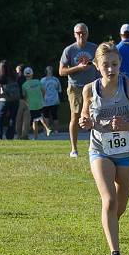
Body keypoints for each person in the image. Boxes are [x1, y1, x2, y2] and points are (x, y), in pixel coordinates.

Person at [78, 42, 129, 255]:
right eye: (106, 65)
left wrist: (127, 125)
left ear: (120, 65)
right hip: (100, 149)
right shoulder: (89, 90)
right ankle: (115, 254)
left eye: (115, 64)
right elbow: (84, 118)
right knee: (108, 200)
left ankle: (109, 228)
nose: (111, 69)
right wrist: (85, 122)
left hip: (127, 152)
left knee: (120, 205)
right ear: (97, 66)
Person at [60, 23, 99, 157]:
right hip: (75, 87)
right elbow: (61, 71)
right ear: (74, 34)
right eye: (78, 33)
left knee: (95, 116)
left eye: (83, 32)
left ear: (87, 34)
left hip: (92, 86)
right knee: (75, 117)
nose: (81, 35)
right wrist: (78, 68)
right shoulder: (69, 50)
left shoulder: (94, 48)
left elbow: (100, 66)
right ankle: (74, 149)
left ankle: (95, 147)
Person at [22, 67, 53, 139]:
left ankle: (47, 129)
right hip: (40, 103)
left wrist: (26, 102)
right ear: (32, 74)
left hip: (31, 104)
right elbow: (44, 90)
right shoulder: (37, 81)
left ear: (25, 75)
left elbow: (24, 96)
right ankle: (36, 137)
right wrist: (42, 98)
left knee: (37, 118)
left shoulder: (24, 85)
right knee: (35, 120)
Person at [0, 60, 21, 140]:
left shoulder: (1, 77)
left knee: (0, 117)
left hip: (4, 100)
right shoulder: (14, 76)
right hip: (15, 99)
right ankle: (10, 136)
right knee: (12, 118)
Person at [41, 66, 62, 132]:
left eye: (50, 69)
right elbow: (40, 91)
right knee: (46, 116)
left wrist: (59, 99)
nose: (49, 70)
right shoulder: (42, 80)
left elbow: (59, 90)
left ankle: (56, 130)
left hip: (54, 101)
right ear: (46, 71)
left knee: (55, 116)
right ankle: (46, 130)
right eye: (48, 69)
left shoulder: (56, 79)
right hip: (45, 101)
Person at [15, 64, 30, 139]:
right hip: (28, 99)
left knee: (18, 118)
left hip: (19, 100)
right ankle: (24, 134)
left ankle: (18, 134)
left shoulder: (17, 78)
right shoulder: (28, 78)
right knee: (26, 118)